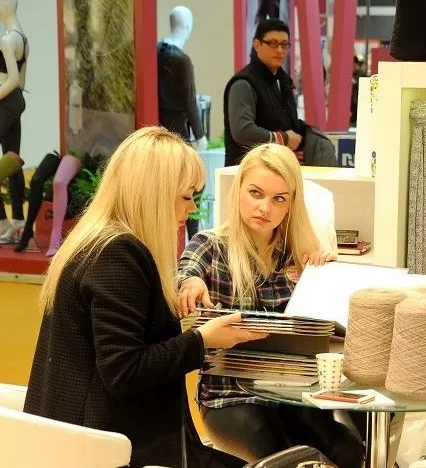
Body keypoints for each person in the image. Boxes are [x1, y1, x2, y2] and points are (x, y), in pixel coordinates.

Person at [23, 126, 265, 468]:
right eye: (185, 196)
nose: (191, 208)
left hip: (87, 440)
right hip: (105, 449)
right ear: (154, 194)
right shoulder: (117, 255)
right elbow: (124, 371)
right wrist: (202, 340)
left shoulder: (97, 244)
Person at [178, 143, 363, 468]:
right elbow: (187, 271)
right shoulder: (210, 246)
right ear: (238, 191)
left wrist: (326, 277)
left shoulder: (299, 255)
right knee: (283, 458)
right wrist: (190, 282)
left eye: (279, 199)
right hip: (229, 396)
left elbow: (332, 331)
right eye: (255, 193)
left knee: (347, 449)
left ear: (291, 204)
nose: (265, 208)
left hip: (293, 392)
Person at [223, 18, 305, 167]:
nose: (279, 50)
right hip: (247, 172)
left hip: (277, 169)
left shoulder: (283, 81)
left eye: (284, 44)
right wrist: (283, 139)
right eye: (272, 43)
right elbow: (242, 131)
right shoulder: (244, 84)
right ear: (257, 45)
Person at [158, 5, 207, 239]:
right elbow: (190, 101)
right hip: (177, 128)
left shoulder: (155, 52)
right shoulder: (181, 60)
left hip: (158, 125)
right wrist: (201, 135)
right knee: (194, 183)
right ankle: (194, 237)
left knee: (169, 185)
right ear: (187, 26)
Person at [0, 0, 27, 243]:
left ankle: (3, 221)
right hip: (16, 102)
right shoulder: (23, 39)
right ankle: (17, 220)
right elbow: (22, 81)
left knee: (10, 161)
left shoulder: (7, 40)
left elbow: (13, 79)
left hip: (6, 102)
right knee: (13, 159)